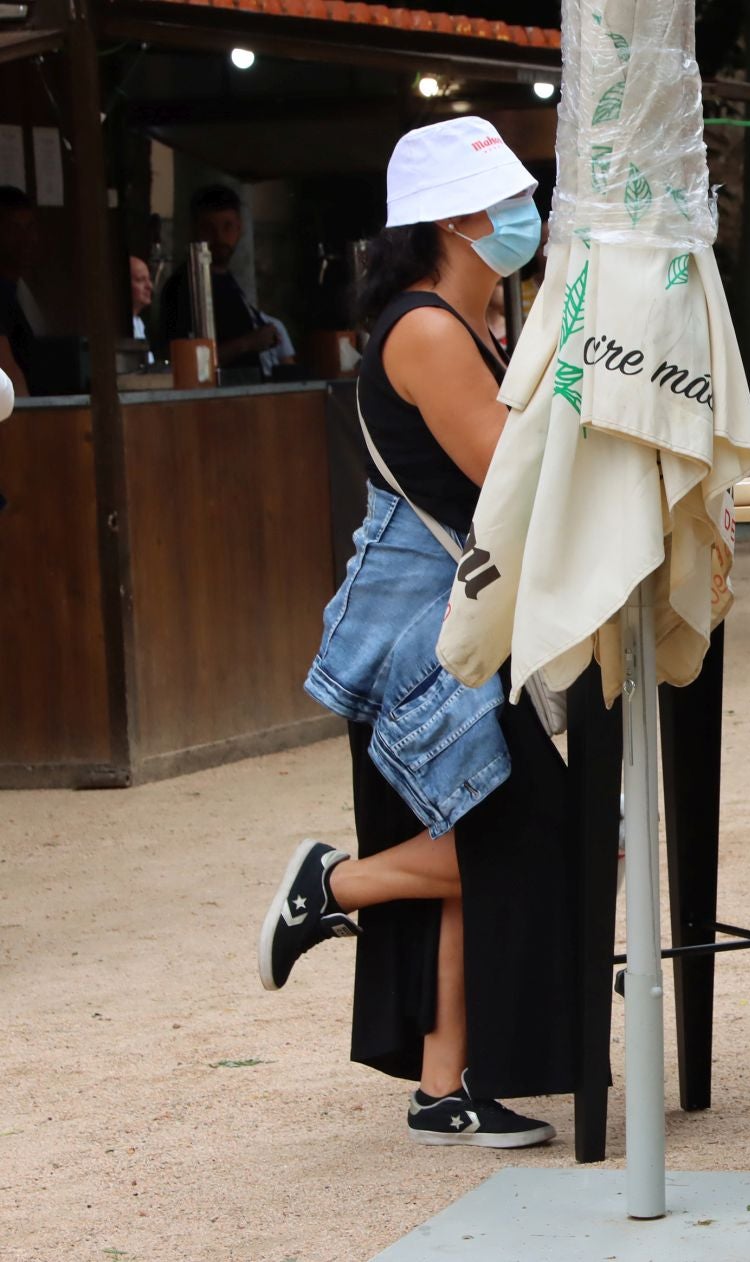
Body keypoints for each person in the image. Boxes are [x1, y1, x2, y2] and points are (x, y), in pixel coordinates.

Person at [260, 117, 583, 1148]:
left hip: (454, 627)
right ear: (456, 216)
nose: (525, 215)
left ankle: (447, 1081)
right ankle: (332, 882)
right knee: (519, 834)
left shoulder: (471, 318)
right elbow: (507, 469)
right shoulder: (431, 330)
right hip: (425, 641)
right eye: (510, 200)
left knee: (476, 829)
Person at [156, 184, 282, 371]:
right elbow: (182, 358)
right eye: (209, 228)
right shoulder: (184, 286)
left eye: (227, 226)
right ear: (194, 230)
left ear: (239, 228)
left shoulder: (229, 282)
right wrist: (248, 343)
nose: (219, 237)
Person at [0, 185, 41, 395]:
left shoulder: (20, 294)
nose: (26, 240)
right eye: (15, 229)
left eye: (29, 229)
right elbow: (8, 374)